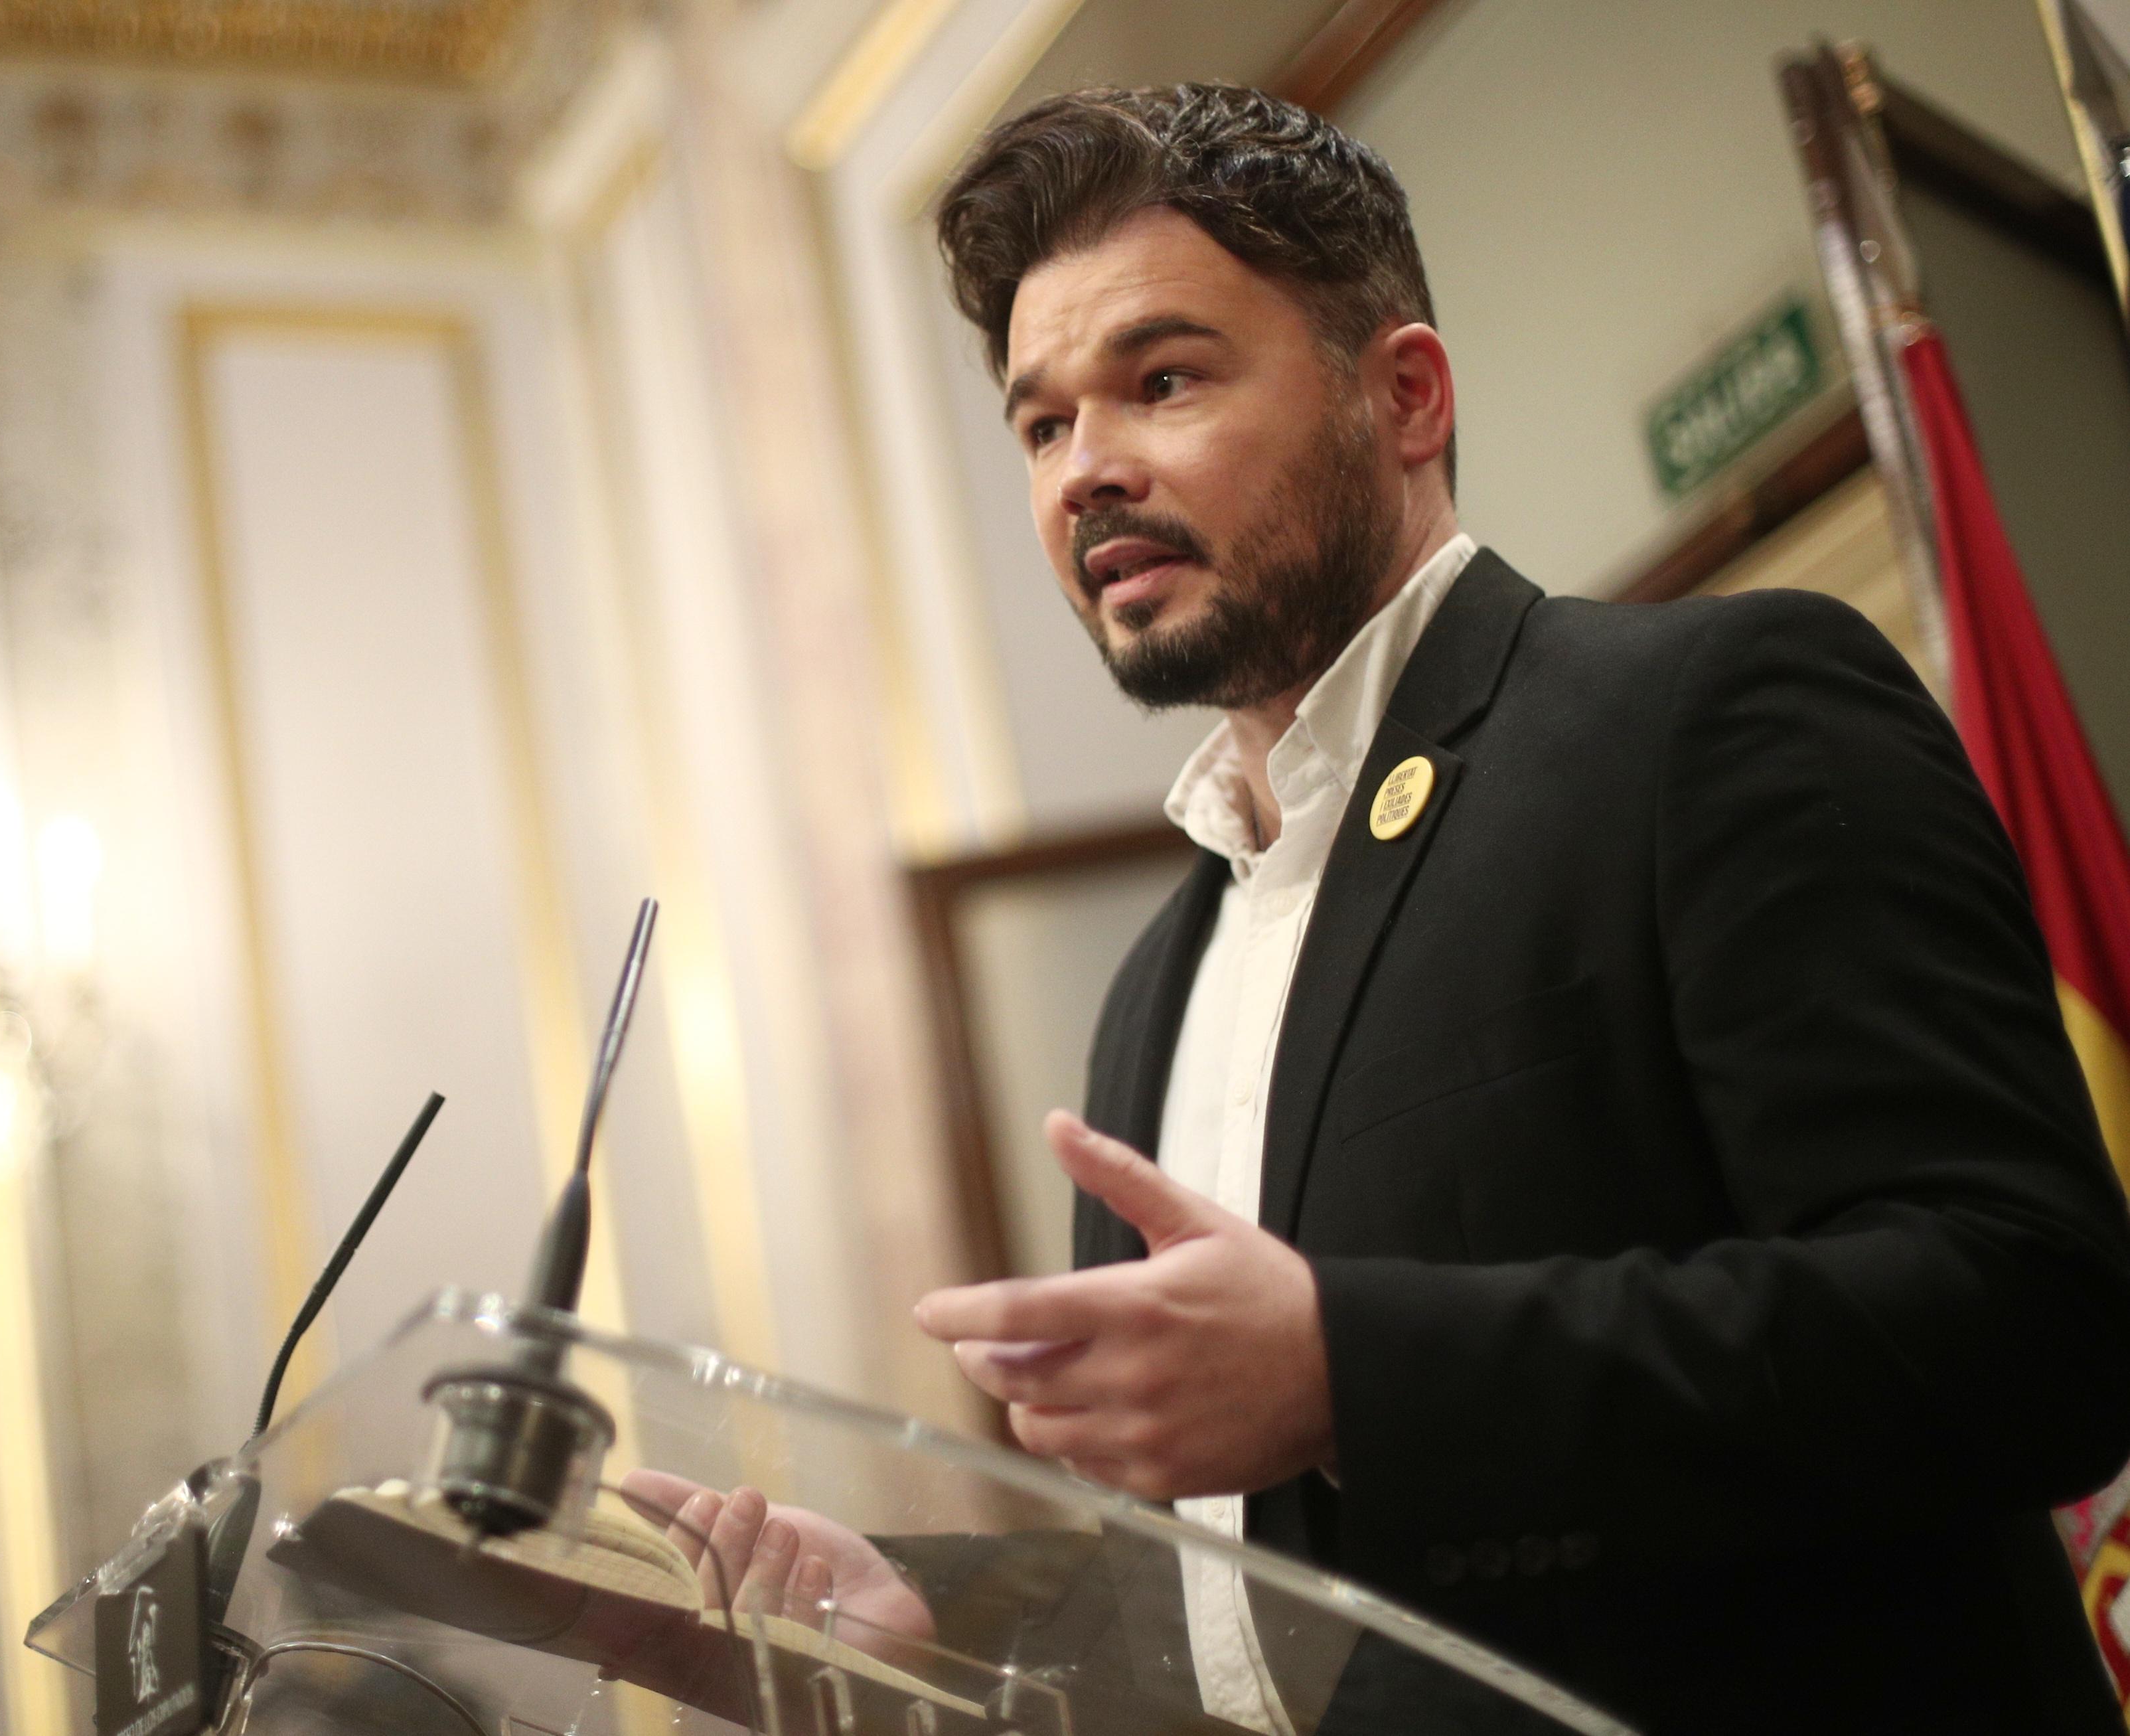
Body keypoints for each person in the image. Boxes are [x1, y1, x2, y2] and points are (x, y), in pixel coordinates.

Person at [662, 84, 2130, 1733]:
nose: (1086, 473)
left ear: (1404, 396)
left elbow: (2034, 1321)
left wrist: (1350, 1372)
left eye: (1162, 380)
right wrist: (951, 1614)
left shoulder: (1704, 715)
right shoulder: (1161, 980)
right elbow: (1250, 1615)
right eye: (1043, 424)